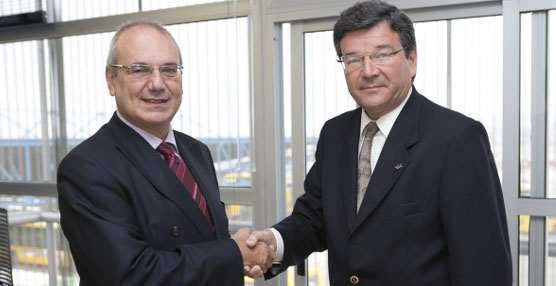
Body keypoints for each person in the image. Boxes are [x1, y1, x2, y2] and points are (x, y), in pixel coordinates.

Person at [245, 0, 512, 285]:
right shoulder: (335, 134)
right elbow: (315, 220)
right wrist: (275, 242)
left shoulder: (457, 138)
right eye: (353, 59)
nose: (368, 71)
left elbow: (484, 266)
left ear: (412, 60)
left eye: (382, 55)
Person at [57, 20, 273, 286]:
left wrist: (239, 249)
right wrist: (234, 253)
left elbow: (202, 239)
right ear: (111, 80)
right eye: (139, 70)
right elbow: (130, 275)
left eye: (169, 70)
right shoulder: (87, 167)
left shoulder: (196, 152)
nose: (157, 84)